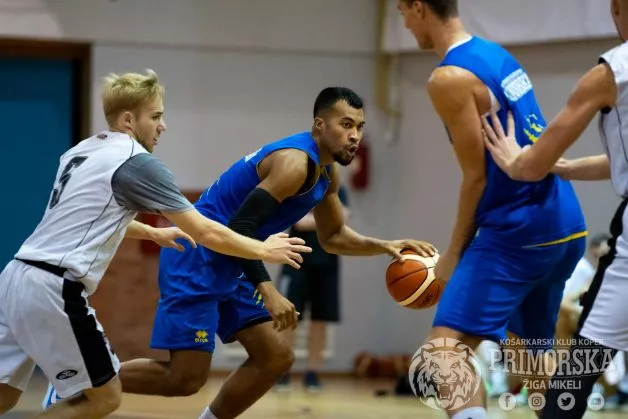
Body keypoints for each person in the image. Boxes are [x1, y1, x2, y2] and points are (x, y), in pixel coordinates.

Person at [44, 87, 437, 419]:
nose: (354, 136)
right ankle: (78, 383)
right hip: (198, 256)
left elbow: (333, 236)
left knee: (275, 357)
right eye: (346, 124)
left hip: (231, 259)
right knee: (184, 379)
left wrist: (385, 246)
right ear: (320, 125)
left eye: (360, 127)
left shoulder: (325, 172)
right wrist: (267, 288)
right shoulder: (295, 163)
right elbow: (241, 227)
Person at [0, 69, 311, 419]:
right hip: (53, 287)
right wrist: (262, 249)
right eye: (156, 116)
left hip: (14, 278)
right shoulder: (137, 162)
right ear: (129, 120)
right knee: (102, 399)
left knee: (4, 395)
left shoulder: (80, 152)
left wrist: (152, 233)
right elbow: (204, 231)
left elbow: (88, 219)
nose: (163, 126)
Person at [396, 1, 588, 418]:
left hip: (518, 232)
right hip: (565, 222)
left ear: (419, 8)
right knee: (530, 355)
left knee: (443, 353)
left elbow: (476, 179)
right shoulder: (494, 53)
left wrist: (452, 254)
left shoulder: (448, 78)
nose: (404, 23)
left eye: (402, 11)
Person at [481, 2, 628, 417]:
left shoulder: (612, 71)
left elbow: (530, 163)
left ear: (617, 7)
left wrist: (515, 160)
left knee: (573, 382)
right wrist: (565, 167)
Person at [275, 182, 351, 392]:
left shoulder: (337, 189)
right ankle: (283, 372)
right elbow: (299, 222)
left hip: (327, 264)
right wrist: (329, 218)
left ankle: (312, 374)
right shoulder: (298, 186)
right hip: (295, 262)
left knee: (320, 320)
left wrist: (321, 218)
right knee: (289, 318)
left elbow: (344, 218)